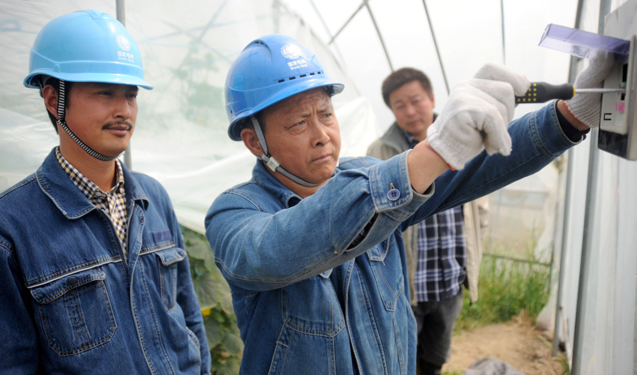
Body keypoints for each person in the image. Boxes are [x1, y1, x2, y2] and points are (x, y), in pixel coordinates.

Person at [204, 34, 611, 374]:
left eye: (326, 114)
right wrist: (433, 151)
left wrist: (570, 116)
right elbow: (278, 246)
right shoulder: (234, 213)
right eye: (298, 122)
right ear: (255, 142)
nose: (321, 134)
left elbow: (472, 172)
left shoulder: (365, 173)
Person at [0, 10, 210, 374]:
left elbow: (189, 318)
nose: (123, 110)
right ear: (54, 100)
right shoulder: (13, 227)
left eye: (131, 95)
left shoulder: (153, 198)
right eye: (104, 92)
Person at [367, 68, 489, 375]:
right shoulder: (381, 152)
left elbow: (480, 207)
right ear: (391, 110)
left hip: (449, 279)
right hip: (406, 286)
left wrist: (470, 262)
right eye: (399, 105)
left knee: (435, 359)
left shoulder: (466, 141)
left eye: (416, 100)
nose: (409, 111)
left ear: (432, 98)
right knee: (399, 361)